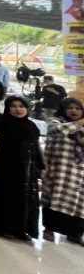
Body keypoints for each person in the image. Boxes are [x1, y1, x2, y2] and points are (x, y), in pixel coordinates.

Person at [0, 96, 44, 240]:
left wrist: (41, 166)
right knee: (8, 196)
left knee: (25, 198)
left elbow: (36, 146)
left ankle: (23, 229)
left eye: (21, 106)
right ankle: (5, 228)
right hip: (8, 166)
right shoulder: (3, 123)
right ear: (8, 108)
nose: (18, 109)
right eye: (14, 106)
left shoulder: (31, 125)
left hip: (28, 167)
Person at [41, 98, 84, 245]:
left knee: (79, 203)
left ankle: (75, 234)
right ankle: (49, 229)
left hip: (79, 173)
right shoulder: (55, 122)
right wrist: (80, 123)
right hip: (58, 170)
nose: (74, 111)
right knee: (53, 198)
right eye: (70, 108)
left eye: (78, 109)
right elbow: (60, 131)